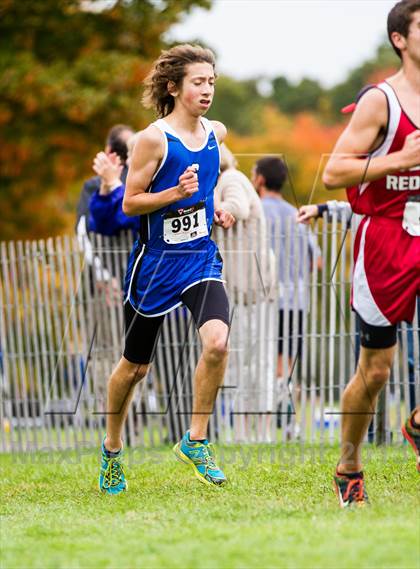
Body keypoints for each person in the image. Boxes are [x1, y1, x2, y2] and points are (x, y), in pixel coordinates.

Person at [98, 44, 235, 495]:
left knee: (217, 342)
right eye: (198, 81)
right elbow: (130, 201)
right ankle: (112, 450)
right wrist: (174, 194)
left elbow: (209, 182)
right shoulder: (152, 140)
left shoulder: (216, 132)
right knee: (135, 368)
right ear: (174, 87)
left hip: (198, 257)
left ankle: (196, 440)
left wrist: (214, 207)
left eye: (211, 81)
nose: (207, 89)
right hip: (155, 265)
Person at [321, 0, 420, 507]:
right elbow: (333, 173)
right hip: (385, 235)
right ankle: (350, 463)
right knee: (377, 370)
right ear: (400, 39)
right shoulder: (381, 102)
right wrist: (401, 159)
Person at [252, 156, 321, 427]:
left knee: (264, 361)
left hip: (265, 299)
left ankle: (267, 423)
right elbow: (316, 260)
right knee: (287, 362)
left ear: (259, 179)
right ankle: (289, 418)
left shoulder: (255, 211)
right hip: (296, 300)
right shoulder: (297, 214)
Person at [214, 144, 276, 441]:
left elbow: (238, 205)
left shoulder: (231, 180)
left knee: (253, 360)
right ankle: (244, 431)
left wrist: (224, 210)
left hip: (249, 289)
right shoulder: (224, 180)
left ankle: (255, 432)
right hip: (245, 288)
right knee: (244, 360)